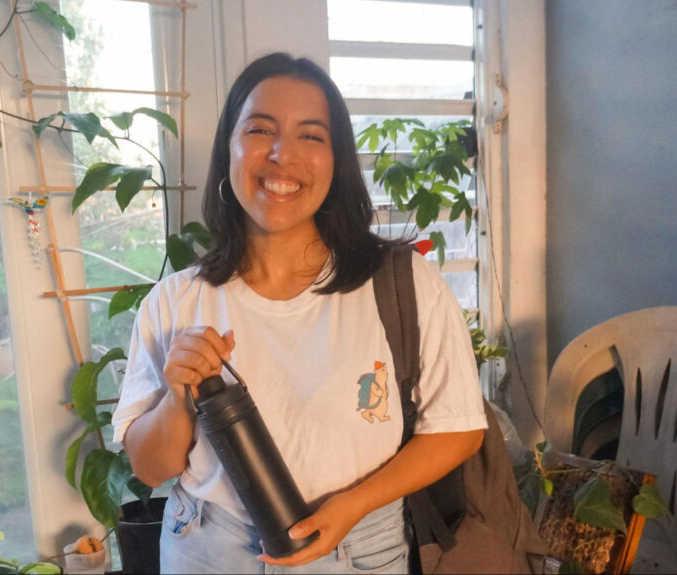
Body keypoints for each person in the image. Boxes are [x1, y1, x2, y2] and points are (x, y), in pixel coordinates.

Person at [112, 52, 487, 574]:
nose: (282, 155)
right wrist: (178, 395)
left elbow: (459, 428)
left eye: (311, 135)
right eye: (261, 129)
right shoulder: (175, 302)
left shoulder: (404, 284)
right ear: (229, 149)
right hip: (207, 548)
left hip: (359, 549)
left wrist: (352, 506)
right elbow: (151, 468)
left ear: (336, 162)